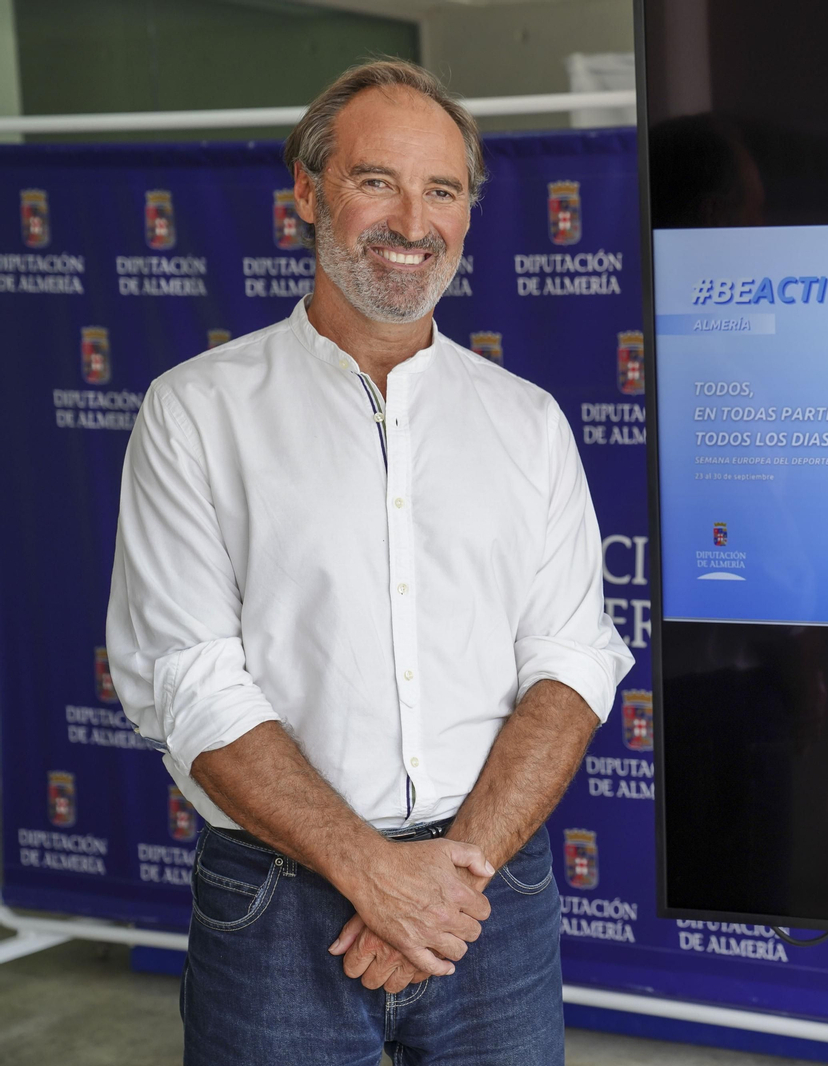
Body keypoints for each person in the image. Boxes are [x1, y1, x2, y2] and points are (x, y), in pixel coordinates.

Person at [106, 60, 633, 1064]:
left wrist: (449, 876)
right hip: (275, 907)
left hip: (490, 902)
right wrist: (375, 876)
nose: (411, 221)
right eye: (375, 180)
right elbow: (187, 678)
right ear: (306, 193)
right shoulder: (196, 413)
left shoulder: (526, 424)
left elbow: (570, 663)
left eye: (442, 190)